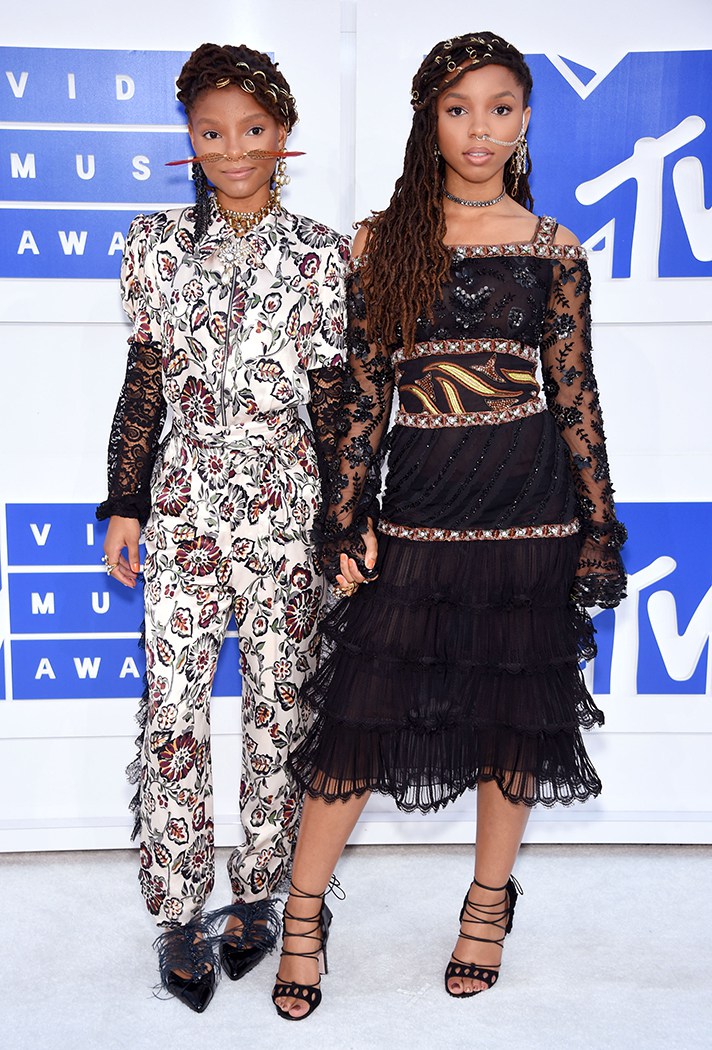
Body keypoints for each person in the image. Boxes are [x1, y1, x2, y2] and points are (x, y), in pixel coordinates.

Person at [270, 31, 627, 1020]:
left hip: (530, 522)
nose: (480, 128)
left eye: (501, 107)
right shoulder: (380, 243)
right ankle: (303, 912)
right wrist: (347, 517)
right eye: (458, 107)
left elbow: (574, 394)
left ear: (524, 119)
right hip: (419, 520)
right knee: (354, 728)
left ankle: (484, 908)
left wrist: (596, 524)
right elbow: (363, 395)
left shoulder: (553, 249)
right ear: (429, 118)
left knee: (515, 722)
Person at [96, 41, 348, 1013]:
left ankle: (255, 900)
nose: (233, 148)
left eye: (252, 129)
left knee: (281, 719)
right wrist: (123, 504)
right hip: (184, 513)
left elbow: (333, 405)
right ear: (188, 140)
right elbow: (144, 387)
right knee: (173, 717)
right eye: (211, 131)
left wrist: (342, 522)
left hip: (287, 523)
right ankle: (176, 908)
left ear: (283, 134)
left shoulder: (323, 256)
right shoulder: (154, 243)